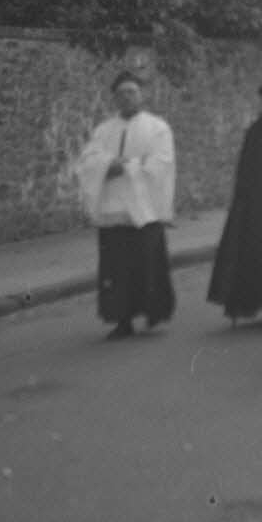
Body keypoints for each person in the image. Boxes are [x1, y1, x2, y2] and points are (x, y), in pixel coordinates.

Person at [75, 72, 176, 340]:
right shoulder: (103, 130)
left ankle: (153, 314)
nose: (127, 97)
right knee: (116, 269)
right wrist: (107, 166)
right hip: (113, 210)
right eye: (121, 93)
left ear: (141, 95)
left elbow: (161, 163)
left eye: (132, 91)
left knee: (147, 265)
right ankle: (122, 320)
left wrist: (126, 166)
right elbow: (88, 162)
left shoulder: (157, 128)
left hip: (144, 211)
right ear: (115, 98)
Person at [207, 83, 262, 325]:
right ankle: (261, 303)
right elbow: (244, 168)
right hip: (258, 206)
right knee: (258, 256)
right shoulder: (254, 132)